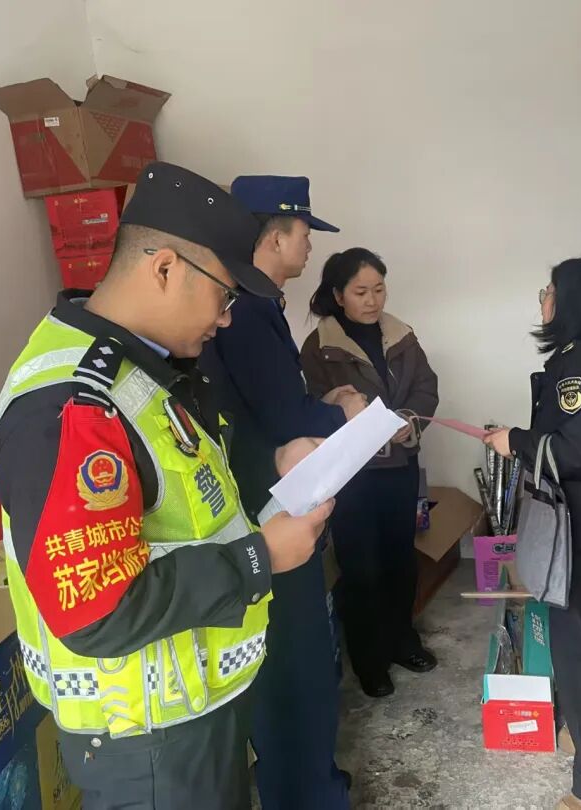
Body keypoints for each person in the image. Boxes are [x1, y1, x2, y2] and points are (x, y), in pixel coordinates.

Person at [0, 162, 334, 810]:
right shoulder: (72, 405)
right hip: (147, 747)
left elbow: (189, 494)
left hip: (186, 720)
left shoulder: (141, 369)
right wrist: (260, 557)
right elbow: (98, 609)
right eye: (224, 297)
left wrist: (275, 462)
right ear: (166, 269)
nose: (226, 320)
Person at [203, 175, 362, 810]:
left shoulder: (255, 306)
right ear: (273, 237)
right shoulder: (245, 312)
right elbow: (281, 419)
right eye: (304, 234)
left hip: (278, 503)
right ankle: (310, 795)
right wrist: (340, 414)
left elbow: (277, 406)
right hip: (270, 515)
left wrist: (321, 405)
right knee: (295, 669)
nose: (309, 247)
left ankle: (314, 786)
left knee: (302, 664)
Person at [485, 256, 581, 810]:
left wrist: (515, 441)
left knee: (580, 654)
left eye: (547, 290)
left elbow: (576, 450)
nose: (542, 300)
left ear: (570, 299)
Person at [300, 248, 439, 698]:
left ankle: (402, 641)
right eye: (361, 291)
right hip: (353, 475)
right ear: (339, 295)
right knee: (362, 567)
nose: (372, 300)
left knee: (400, 559)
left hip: (399, 465)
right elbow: (313, 405)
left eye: (379, 289)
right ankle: (369, 659)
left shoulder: (401, 336)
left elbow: (426, 387)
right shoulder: (319, 347)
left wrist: (409, 419)